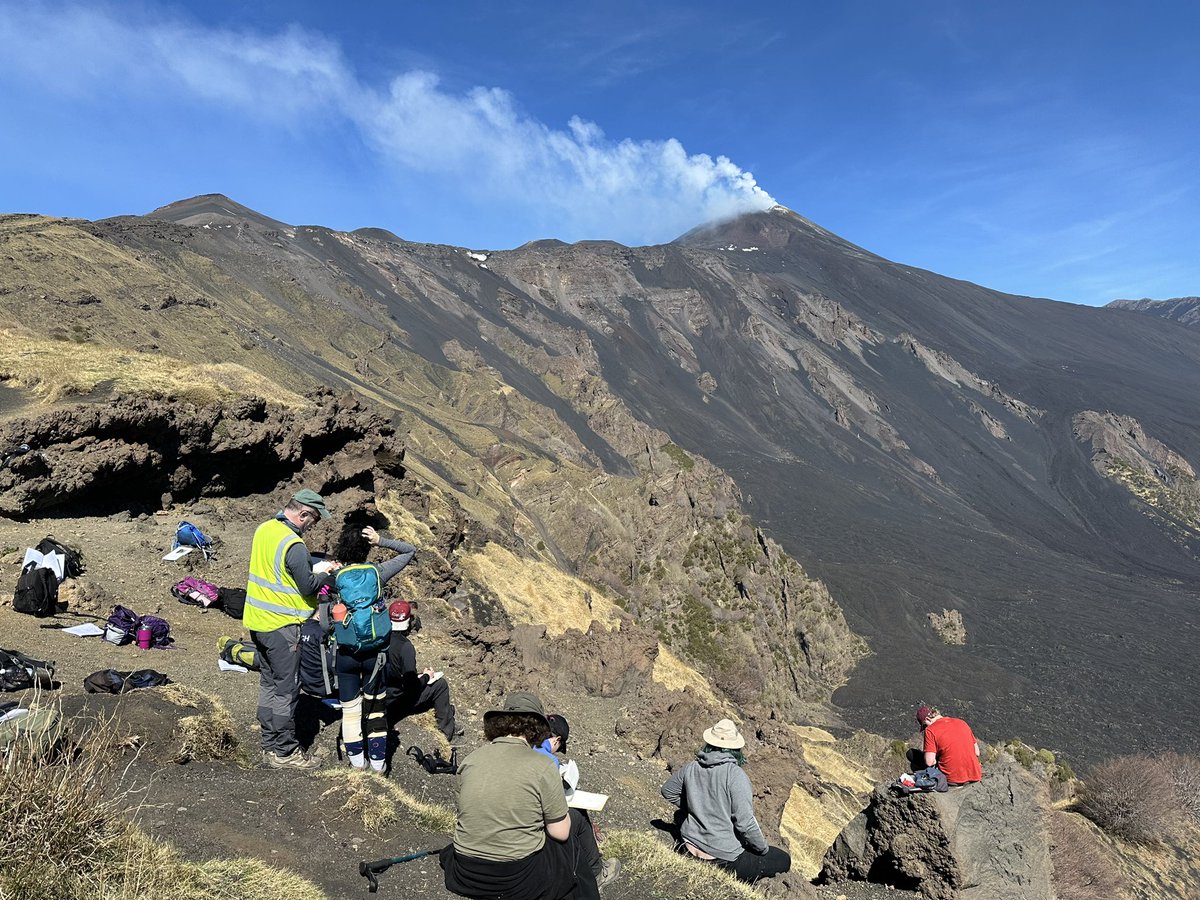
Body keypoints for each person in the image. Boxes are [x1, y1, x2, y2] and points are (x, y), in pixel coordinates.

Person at [442, 692, 600, 900]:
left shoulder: (470, 760)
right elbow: (560, 833)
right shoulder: (542, 765)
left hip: (465, 872)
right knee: (569, 832)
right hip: (514, 880)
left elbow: (466, 812)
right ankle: (594, 878)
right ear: (537, 728)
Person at [243, 489, 331, 770]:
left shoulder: (265, 529)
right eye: (313, 519)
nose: (312, 525)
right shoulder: (294, 545)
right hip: (283, 626)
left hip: (258, 621)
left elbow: (277, 571)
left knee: (268, 683)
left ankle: (270, 743)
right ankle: (285, 752)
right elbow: (307, 586)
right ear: (303, 513)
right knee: (287, 690)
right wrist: (326, 573)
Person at [660, 718, 791, 883]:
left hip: (688, 847)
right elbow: (745, 823)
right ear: (736, 747)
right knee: (782, 859)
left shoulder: (692, 767)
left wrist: (695, 808)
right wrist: (762, 849)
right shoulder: (735, 775)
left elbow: (668, 791)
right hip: (721, 859)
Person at [332, 524, 417, 772]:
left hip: (346, 654)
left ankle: (358, 764)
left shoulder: (335, 578)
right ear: (365, 548)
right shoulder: (378, 573)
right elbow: (409, 551)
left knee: (350, 711)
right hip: (375, 654)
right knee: (376, 709)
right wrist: (381, 540)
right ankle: (378, 766)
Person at [535, 713, 622, 891]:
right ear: (556, 739)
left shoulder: (521, 745)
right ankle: (598, 873)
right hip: (534, 822)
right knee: (578, 815)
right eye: (559, 747)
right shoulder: (548, 760)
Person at [385, 599, 462, 741]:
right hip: (395, 703)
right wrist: (426, 676)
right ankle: (447, 732)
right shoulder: (405, 647)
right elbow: (411, 688)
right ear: (408, 621)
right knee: (441, 685)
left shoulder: (380, 638)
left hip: (378, 697)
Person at [916, 705, 982, 786]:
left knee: (913, 754)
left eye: (925, 725)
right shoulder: (962, 722)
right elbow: (977, 753)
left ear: (928, 719)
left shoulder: (930, 730)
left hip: (952, 779)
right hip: (975, 775)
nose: (926, 728)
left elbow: (929, 762)